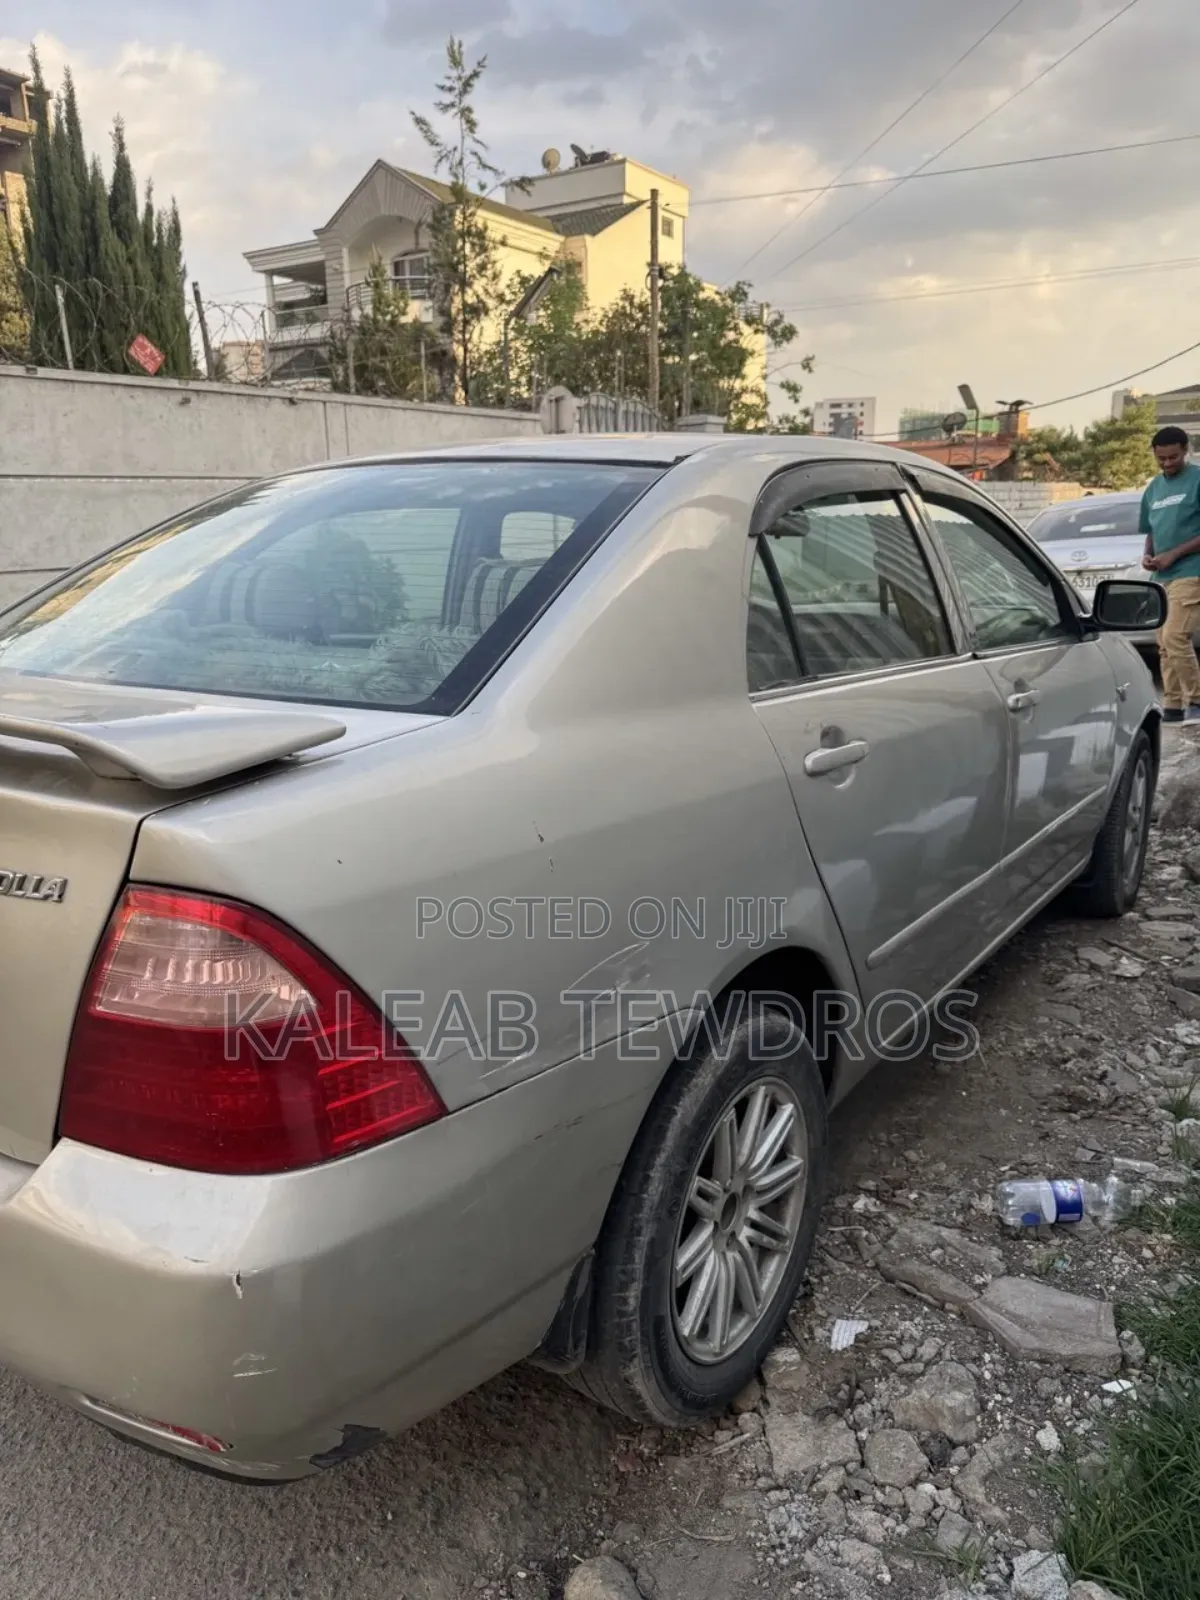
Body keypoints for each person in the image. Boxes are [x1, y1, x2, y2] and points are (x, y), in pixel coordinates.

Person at [1141, 425, 1200, 722]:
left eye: (1173, 457)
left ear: (1185, 450)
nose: (1167, 464)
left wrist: (1175, 553)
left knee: (1176, 635)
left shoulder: (1198, 479)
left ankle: (1197, 700)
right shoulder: (1153, 487)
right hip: (1161, 576)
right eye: (1161, 459)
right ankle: (1174, 705)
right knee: (1163, 642)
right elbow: (1150, 528)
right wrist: (1148, 555)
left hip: (1192, 571)